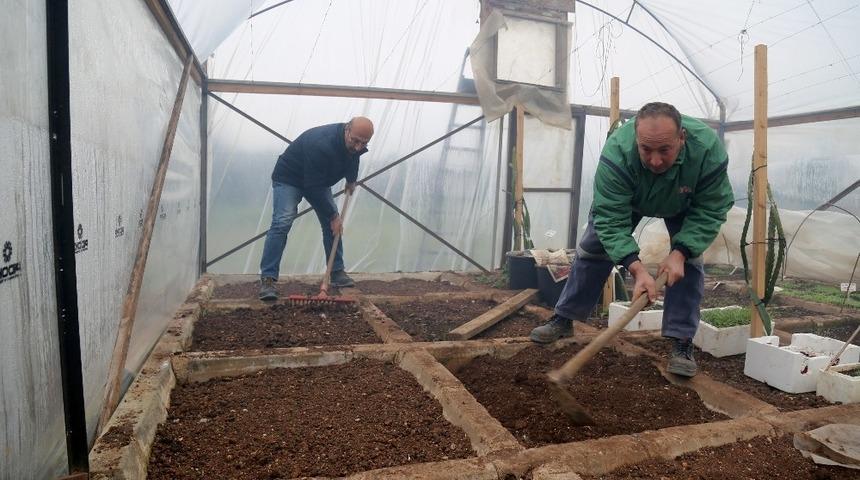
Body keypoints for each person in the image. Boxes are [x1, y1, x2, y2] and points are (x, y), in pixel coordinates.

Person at [529, 102, 733, 377]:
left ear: (681, 138)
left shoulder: (707, 152)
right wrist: (636, 270)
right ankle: (564, 317)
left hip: (685, 202)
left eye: (665, 150)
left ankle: (681, 341)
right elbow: (610, 219)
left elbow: (711, 208)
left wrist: (680, 252)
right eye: (646, 150)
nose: (656, 160)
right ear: (635, 139)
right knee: (593, 249)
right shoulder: (618, 153)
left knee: (688, 264)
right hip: (631, 200)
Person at [258, 116, 374, 301]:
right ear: (347, 130)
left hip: (317, 179)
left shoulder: (354, 144)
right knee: (282, 222)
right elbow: (313, 187)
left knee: (332, 226)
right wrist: (333, 215)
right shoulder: (322, 143)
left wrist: (351, 179)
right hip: (290, 177)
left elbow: (354, 157)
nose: (359, 146)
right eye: (355, 141)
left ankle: (336, 272)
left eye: (364, 143)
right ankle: (268, 279)